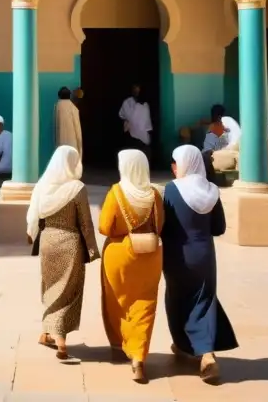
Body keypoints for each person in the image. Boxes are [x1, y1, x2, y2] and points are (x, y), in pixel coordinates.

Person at [162, 145, 238, 383]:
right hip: (204, 255)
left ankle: (187, 346)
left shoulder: (172, 189)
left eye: (176, 162)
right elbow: (219, 227)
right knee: (203, 300)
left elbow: (164, 225)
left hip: (177, 255)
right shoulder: (211, 191)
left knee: (176, 298)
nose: (174, 167)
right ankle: (205, 353)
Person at [27, 145, 100, 361]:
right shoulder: (77, 188)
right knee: (68, 290)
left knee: (50, 286)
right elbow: (85, 223)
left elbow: (33, 215)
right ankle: (60, 338)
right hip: (70, 243)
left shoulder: (42, 185)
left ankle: (47, 332)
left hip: (48, 240)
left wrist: (31, 234)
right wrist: (92, 249)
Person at [100, 150, 164, 383]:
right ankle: (138, 357)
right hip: (149, 255)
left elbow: (104, 227)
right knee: (145, 305)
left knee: (118, 302)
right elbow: (160, 225)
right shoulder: (154, 194)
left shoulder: (116, 192)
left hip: (118, 255)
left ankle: (119, 345)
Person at [119, 84, 153, 158]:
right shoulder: (127, 102)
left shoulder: (145, 104)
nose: (136, 92)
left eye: (138, 90)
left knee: (144, 154)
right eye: (135, 90)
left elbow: (147, 121)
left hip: (143, 135)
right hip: (131, 134)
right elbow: (122, 115)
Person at [54, 87, 83, 158]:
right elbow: (77, 129)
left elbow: (55, 129)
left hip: (60, 145)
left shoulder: (57, 107)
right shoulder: (73, 108)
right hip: (73, 145)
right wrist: (80, 148)